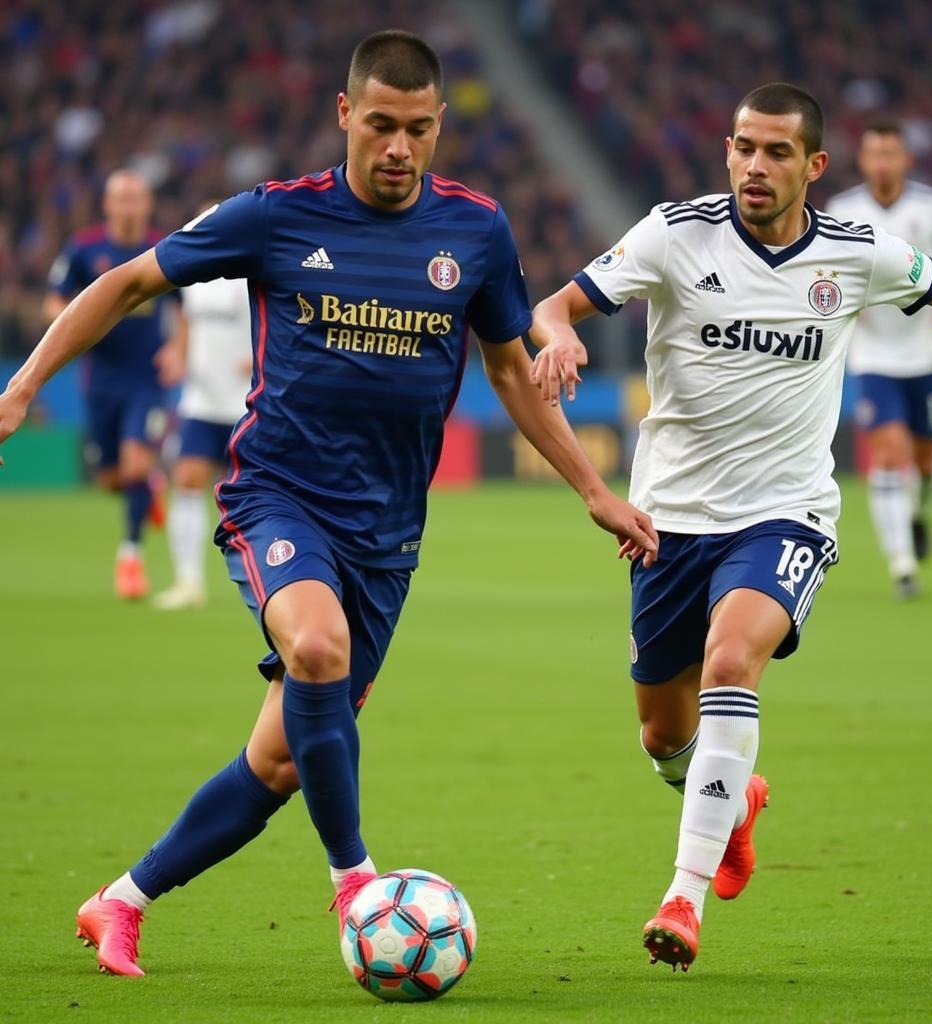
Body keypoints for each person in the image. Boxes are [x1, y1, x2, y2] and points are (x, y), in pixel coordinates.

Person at [0, 30, 658, 977]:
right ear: (346, 115)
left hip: (388, 537)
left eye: (419, 130)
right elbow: (130, 280)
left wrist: (595, 490)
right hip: (278, 497)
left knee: (277, 764)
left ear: (439, 128)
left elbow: (511, 370)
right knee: (315, 647)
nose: (398, 148)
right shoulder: (274, 216)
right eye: (381, 125)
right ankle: (357, 882)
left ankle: (120, 902)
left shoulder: (476, 231)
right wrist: (23, 389)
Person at [530, 82, 932, 973]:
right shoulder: (673, 234)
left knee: (730, 662)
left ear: (814, 166)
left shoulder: (858, 251)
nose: (755, 166)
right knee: (662, 738)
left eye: (777, 152)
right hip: (668, 518)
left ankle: (681, 899)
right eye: (743, 148)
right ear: (727, 151)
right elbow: (557, 304)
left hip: (786, 512)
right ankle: (735, 803)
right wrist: (557, 334)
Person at [826, 121, 932, 598]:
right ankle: (902, 566)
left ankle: (918, 513)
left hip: (927, 353)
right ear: (863, 160)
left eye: (890, 154)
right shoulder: (843, 210)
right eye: (874, 154)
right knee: (889, 453)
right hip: (873, 356)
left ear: (905, 160)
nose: (882, 163)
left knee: (926, 460)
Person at [44, 170, 179, 600]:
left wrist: (179, 348)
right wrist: (69, 327)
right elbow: (55, 298)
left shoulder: (164, 247)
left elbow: (185, 302)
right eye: (121, 198)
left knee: (136, 464)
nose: (128, 206)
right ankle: (151, 489)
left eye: (135, 198)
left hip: (146, 379)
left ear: (147, 204)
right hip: (100, 379)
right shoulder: (83, 248)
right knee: (111, 479)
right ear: (107, 204)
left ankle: (131, 558)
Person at [153, 233, 252, 610]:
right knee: (188, 479)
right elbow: (185, 326)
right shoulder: (192, 284)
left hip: (245, 401)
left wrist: (263, 358)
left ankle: (264, 579)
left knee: (251, 493)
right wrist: (178, 353)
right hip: (201, 399)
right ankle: (188, 580)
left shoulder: (249, 276)